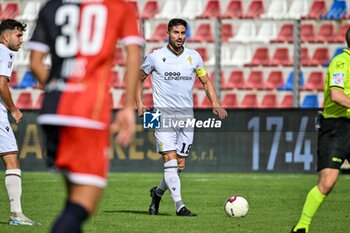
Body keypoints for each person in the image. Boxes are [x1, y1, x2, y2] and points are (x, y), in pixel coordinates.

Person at [26, 1, 143, 232]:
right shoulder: (120, 6)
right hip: (88, 114)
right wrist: (128, 107)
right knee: (83, 204)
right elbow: (133, 54)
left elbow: (35, 62)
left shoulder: (52, 5)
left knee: (73, 199)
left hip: (52, 112)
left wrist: (58, 89)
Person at [136, 18, 227, 217]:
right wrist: (139, 103)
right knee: (169, 160)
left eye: (183, 33)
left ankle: (157, 193)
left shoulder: (194, 57)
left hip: (186, 117)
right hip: (161, 116)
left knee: (179, 165)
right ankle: (180, 206)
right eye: (176, 32)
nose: (179, 36)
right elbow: (138, 78)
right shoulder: (155, 57)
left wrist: (215, 103)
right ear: (168, 33)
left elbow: (206, 82)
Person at [291, 28, 350, 233]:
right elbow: (336, 95)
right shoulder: (341, 62)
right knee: (327, 182)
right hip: (337, 127)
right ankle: (302, 227)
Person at [0, 19, 39, 226]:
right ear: (6, 37)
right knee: (12, 159)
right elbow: (1, 85)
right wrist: (13, 109)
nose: (21, 40)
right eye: (18, 35)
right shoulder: (4, 52)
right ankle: (16, 215)